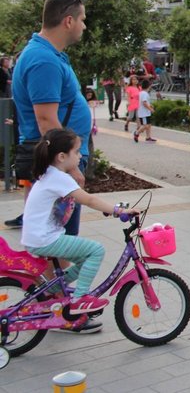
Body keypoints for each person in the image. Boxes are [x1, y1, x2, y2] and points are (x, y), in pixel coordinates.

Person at [21, 129, 137, 316]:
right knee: (96, 250)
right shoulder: (59, 178)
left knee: (85, 259)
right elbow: (89, 200)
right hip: (45, 239)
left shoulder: (48, 173)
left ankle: (52, 288)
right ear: (61, 156)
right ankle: (80, 300)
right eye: (76, 151)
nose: (80, 155)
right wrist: (119, 210)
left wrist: (108, 210)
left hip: (37, 237)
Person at [8, 0, 92, 238]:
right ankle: (51, 279)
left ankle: (50, 278)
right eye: (82, 19)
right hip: (58, 163)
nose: (84, 26)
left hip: (60, 160)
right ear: (68, 21)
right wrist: (68, 168)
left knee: (55, 240)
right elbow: (46, 121)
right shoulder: (43, 60)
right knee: (57, 244)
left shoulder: (48, 55)